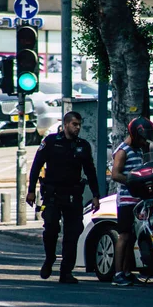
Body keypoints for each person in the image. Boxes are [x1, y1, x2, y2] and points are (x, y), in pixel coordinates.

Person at [26, 111, 100, 284]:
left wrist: (96, 195)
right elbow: (37, 166)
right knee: (51, 228)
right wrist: (30, 190)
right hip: (53, 194)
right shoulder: (51, 142)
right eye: (74, 124)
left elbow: (90, 171)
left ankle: (66, 271)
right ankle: (50, 258)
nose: (78, 128)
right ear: (66, 124)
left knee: (72, 233)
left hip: (73, 194)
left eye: (79, 124)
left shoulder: (82, 146)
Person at [110, 116, 153, 286]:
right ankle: (118, 274)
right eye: (143, 138)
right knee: (123, 236)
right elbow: (116, 174)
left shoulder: (138, 150)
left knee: (132, 237)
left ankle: (128, 271)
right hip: (126, 200)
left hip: (138, 200)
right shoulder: (123, 150)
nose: (144, 141)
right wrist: (133, 181)